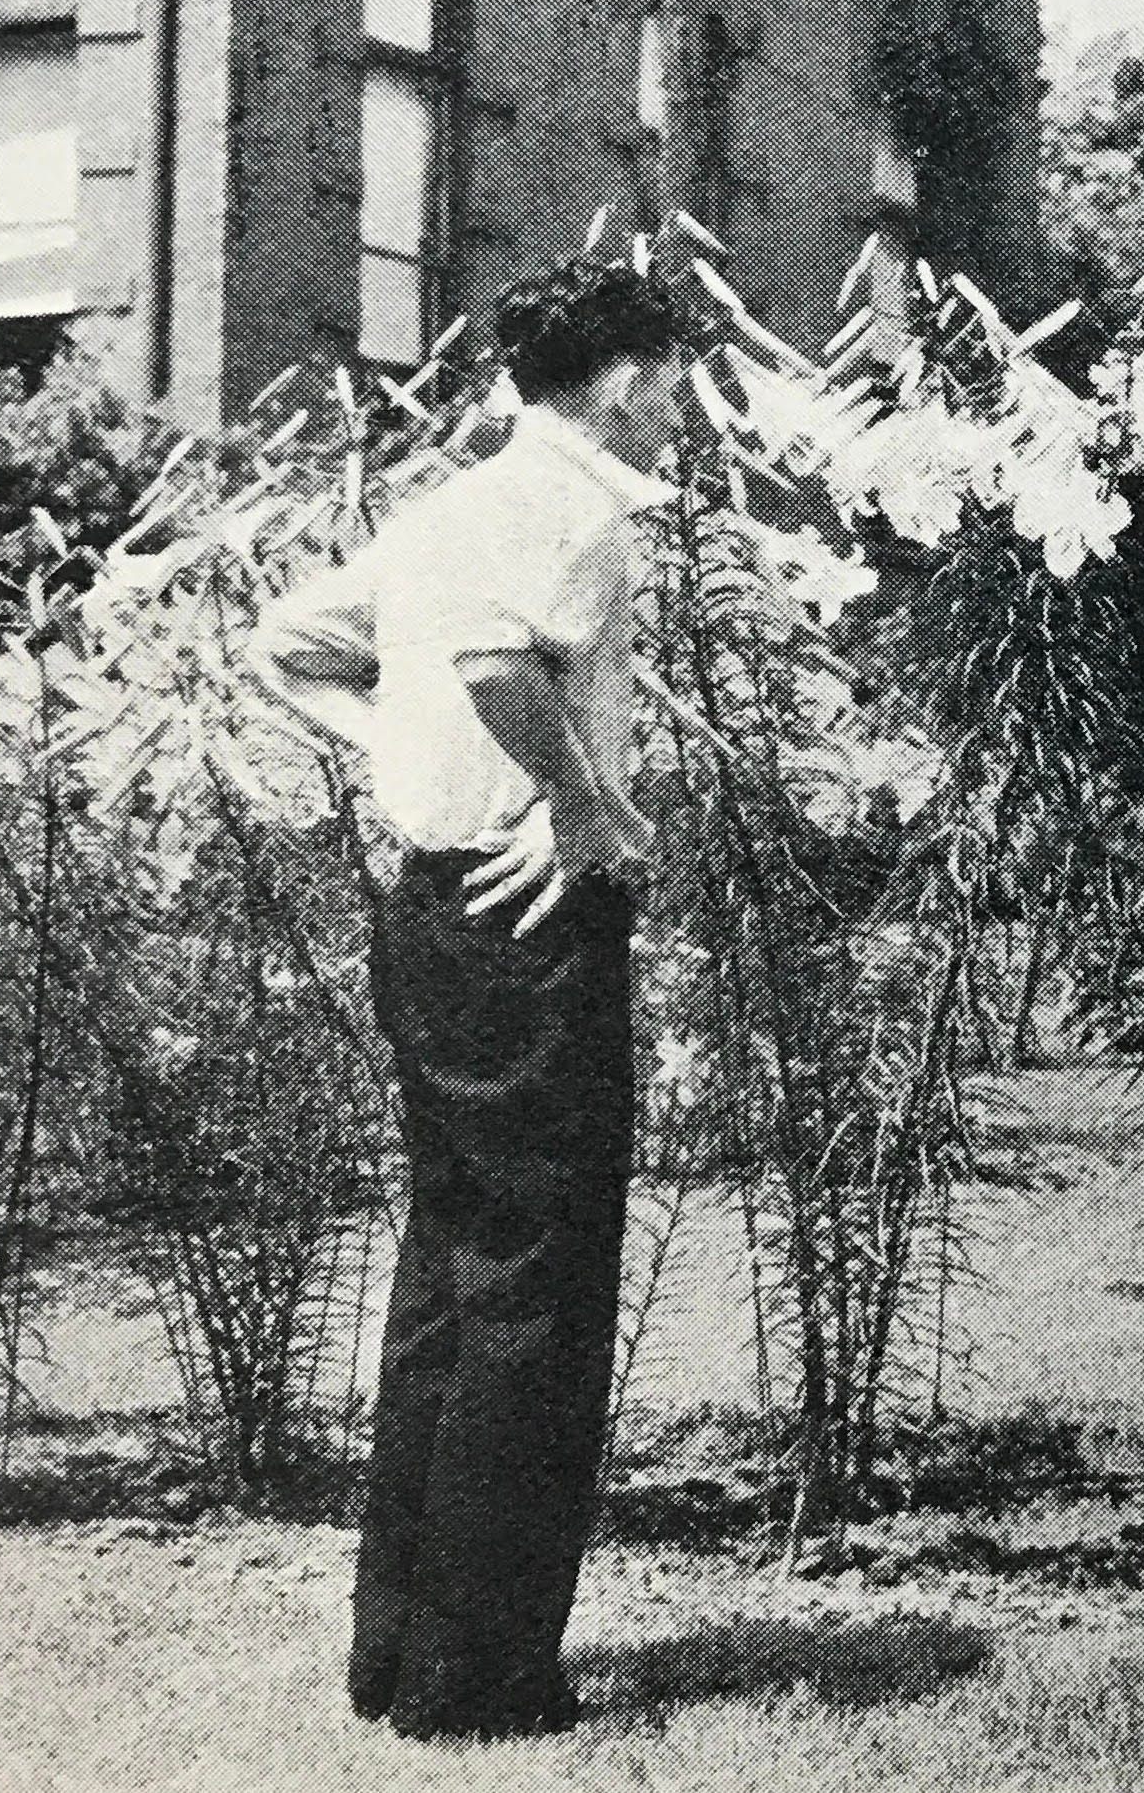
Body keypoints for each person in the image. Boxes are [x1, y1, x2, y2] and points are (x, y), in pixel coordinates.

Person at [247, 255, 694, 1740]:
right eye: (675, 380)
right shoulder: (578, 511)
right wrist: (578, 808)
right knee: (537, 1290)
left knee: (451, 1273)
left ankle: (399, 1653)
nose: (681, 409)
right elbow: (502, 660)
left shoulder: (449, 506)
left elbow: (291, 645)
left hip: (429, 913)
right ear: (627, 379)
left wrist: (401, 760)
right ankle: (482, 1678)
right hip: (532, 923)